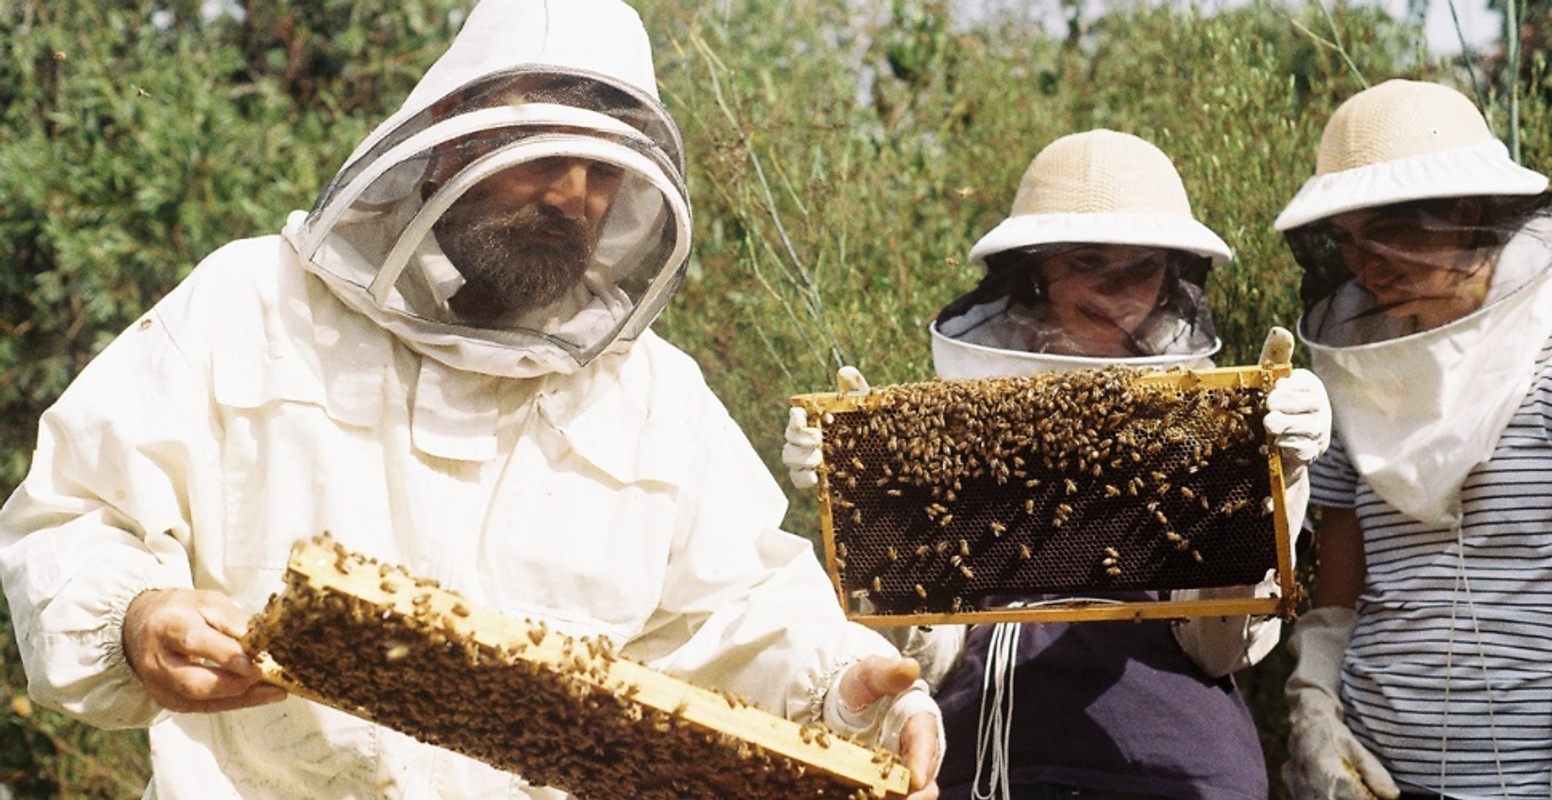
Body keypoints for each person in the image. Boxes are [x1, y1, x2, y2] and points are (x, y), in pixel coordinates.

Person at [0, 1, 943, 797]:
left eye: (604, 172)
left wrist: (848, 686)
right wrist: (132, 614)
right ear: (451, 144)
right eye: (542, 155)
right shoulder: (252, 304)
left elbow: (739, 612)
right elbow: (73, 514)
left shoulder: (655, 394)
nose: (573, 196)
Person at [784, 129, 1333, 799]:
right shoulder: (963, 418)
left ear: (1172, 274)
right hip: (969, 769)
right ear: (1038, 268)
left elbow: (1218, 645)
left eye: (1141, 266)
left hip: (1163, 775)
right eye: (1088, 260)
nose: (1116, 288)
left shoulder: (1209, 415)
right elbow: (928, 653)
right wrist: (864, 506)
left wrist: (1280, 480)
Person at [1275, 79, 1552, 800]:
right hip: (1373, 774)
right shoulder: (1348, 378)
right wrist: (1315, 710)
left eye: (1391, 232)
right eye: (1350, 242)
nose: (1369, 267)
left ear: (1466, 211)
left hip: (1533, 779)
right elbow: (1338, 600)